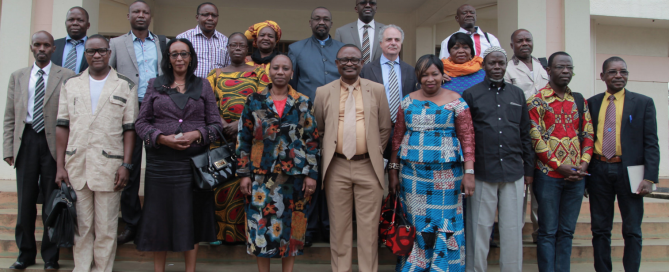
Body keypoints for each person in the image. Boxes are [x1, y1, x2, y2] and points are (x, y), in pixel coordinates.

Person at [134, 38, 222, 272]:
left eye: (184, 54)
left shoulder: (203, 85)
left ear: (191, 57)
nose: (179, 58)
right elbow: (141, 123)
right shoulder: (155, 84)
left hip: (192, 165)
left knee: (190, 217)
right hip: (161, 165)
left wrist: (196, 134)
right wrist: (161, 138)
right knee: (158, 218)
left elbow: (215, 125)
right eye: (174, 54)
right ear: (168, 59)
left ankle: (190, 270)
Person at [55, 34, 138, 272]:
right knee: (81, 226)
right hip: (76, 164)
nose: (97, 55)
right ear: (85, 54)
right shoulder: (71, 84)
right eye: (91, 51)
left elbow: (130, 129)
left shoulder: (125, 85)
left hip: (109, 167)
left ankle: (102, 269)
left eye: (101, 50)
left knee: (106, 227)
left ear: (109, 53)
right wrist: (60, 165)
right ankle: (81, 268)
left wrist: (126, 164)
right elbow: (62, 125)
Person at [388, 54, 474, 271]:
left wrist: (469, 172)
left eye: (434, 74)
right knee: (417, 224)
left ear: (442, 75)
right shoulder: (407, 101)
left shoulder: (457, 101)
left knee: (442, 224)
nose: (429, 79)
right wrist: (393, 171)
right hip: (413, 177)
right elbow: (397, 138)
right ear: (418, 77)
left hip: (447, 177)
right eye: (424, 75)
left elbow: (468, 138)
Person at [238, 54, 319, 272]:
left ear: (292, 73)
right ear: (269, 71)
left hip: (295, 176)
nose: (280, 72)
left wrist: (311, 174)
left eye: (285, 68)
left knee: (292, 229)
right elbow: (244, 138)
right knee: (260, 227)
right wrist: (244, 173)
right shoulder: (254, 100)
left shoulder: (303, 102)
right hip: (260, 176)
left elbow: (312, 140)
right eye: (276, 68)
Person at [314, 44, 391, 272]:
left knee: (368, 230)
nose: (349, 63)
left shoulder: (376, 89)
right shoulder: (323, 91)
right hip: (336, 166)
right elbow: (318, 129)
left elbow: (385, 128)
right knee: (339, 228)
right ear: (337, 63)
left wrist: (372, 151)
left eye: (354, 59)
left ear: (361, 63)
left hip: (369, 166)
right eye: (344, 60)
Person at [3, 31, 75, 271]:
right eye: (37, 45)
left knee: (51, 202)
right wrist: (8, 147)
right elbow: (10, 116)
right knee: (24, 203)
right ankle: (24, 255)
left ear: (54, 48)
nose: (41, 48)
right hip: (26, 141)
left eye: (46, 45)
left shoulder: (67, 76)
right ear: (31, 48)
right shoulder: (18, 76)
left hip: (54, 143)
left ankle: (50, 257)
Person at [461, 47, 534, 272]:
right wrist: (468, 171)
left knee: (512, 229)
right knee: (479, 229)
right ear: (484, 65)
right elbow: (465, 135)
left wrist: (529, 171)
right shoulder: (471, 94)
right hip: (483, 170)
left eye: (501, 63)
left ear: (506, 65)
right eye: (492, 63)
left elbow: (525, 133)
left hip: (513, 171)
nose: (497, 67)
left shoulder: (517, 94)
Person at [586, 57, 659, 272]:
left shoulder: (643, 102)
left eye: (623, 71)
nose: (619, 75)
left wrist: (650, 177)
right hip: (598, 170)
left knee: (632, 229)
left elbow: (651, 143)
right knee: (600, 229)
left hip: (632, 172)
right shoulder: (592, 103)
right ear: (602, 76)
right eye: (612, 72)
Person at [108, 0, 169, 246]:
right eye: (136, 12)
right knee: (129, 167)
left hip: (157, 108)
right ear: (128, 15)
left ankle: (157, 222)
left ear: (150, 15)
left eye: (145, 11)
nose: (141, 15)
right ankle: (132, 223)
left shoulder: (162, 43)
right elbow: (109, 77)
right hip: (128, 109)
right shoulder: (114, 44)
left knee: (158, 168)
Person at [527, 51, 594, 272]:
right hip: (548, 176)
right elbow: (535, 138)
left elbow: (588, 134)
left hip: (576, 177)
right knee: (547, 231)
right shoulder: (536, 101)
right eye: (560, 67)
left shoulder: (579, 100)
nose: (566, 71)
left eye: (569, 68)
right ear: (548, 71)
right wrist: (559, 166)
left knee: (567, 232)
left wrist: (583, 165)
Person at [206, 32, 269, 245]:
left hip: (250, 139)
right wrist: (223, 124)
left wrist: (240, 125)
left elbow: (264, 103)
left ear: (248, 49)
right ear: (227, 48)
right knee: (222, 183)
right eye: (233, 45)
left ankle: (249, 235)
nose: (237, 48)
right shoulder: (215, 74)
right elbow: (206, 102)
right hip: (222, 139)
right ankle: (222, 234)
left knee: (249, 185)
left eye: (242, 45)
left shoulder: (260, 73)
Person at [288, 6, 344, 246]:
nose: (321, 22)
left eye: (326, 19)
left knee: (333, 176)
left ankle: (330, 229)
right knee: (305, 177)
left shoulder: (342, 50)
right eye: (317, 19)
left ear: (331, 23)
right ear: (310, 22)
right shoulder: (296, 48)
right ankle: (307, 231)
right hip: (305, 123)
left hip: (339, 121)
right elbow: (291, 84)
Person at [503, 29, 548, 244]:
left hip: (546, 137)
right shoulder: (508, 69)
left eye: (528, 40)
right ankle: (515, 237)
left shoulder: (543, 66)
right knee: (519, 191)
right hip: (521, 135)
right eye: (519, 41)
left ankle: (541, 233)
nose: (524, 43)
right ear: (512, 45)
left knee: (541, 188)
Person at [360, 24, 418, 160]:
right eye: (389, 39)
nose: (393, 43)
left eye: (397, 40)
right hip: (375, 130)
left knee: (398, 171)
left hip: (404, 130)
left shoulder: (411, 71)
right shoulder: (366, 70)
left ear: (401, 43)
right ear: (381, 43)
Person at [176, 2, 230, 78]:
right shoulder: (183, 38)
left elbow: (228, 67)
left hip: (216, 88)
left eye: (214, 15)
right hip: (190, 88)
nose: (210, 18)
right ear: (197, 17)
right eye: (205, 15)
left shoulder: (225, 41)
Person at [52, 6, 90, 74]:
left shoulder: (95, 48)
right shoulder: (53, 45)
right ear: (65, 23)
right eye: (71, 20)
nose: (75, 23)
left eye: (80, 20)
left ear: (88, 25)